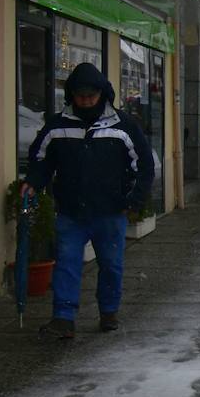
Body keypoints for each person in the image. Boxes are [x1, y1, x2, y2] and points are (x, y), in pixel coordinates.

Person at [25, 62, 154, 340]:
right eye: (80, 96)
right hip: (71, 210)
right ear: (72, 95)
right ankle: (63, 318)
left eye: (90, 96)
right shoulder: (58, 126)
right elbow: (40, 160)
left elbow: (144, 165)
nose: (85, 101)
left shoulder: (122, 126)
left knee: (111, 265)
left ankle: (108, 312)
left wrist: (134, 200)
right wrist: (32, 184)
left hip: (110, 211)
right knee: (67, 264)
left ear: (102, 94)